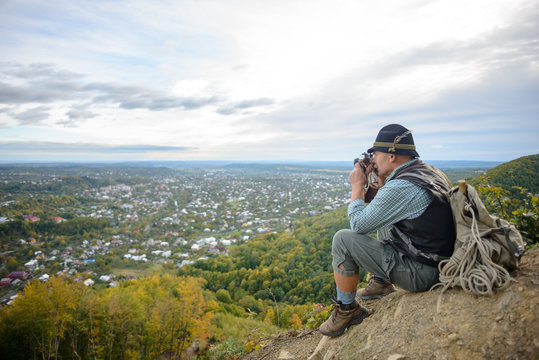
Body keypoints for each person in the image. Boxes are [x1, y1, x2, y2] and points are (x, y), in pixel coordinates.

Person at [319, 124, 455, 337]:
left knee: (342, 239)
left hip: (424, 272)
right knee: (383, 216)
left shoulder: (403, 188)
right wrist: (380, 181)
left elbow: (359, 224)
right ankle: (381, 283)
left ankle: (347, 310)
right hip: (438, 259)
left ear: (392, 156)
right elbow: (384, 207)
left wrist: (357, 186)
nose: (373, 159)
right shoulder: (427, 171)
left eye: (375, 154)